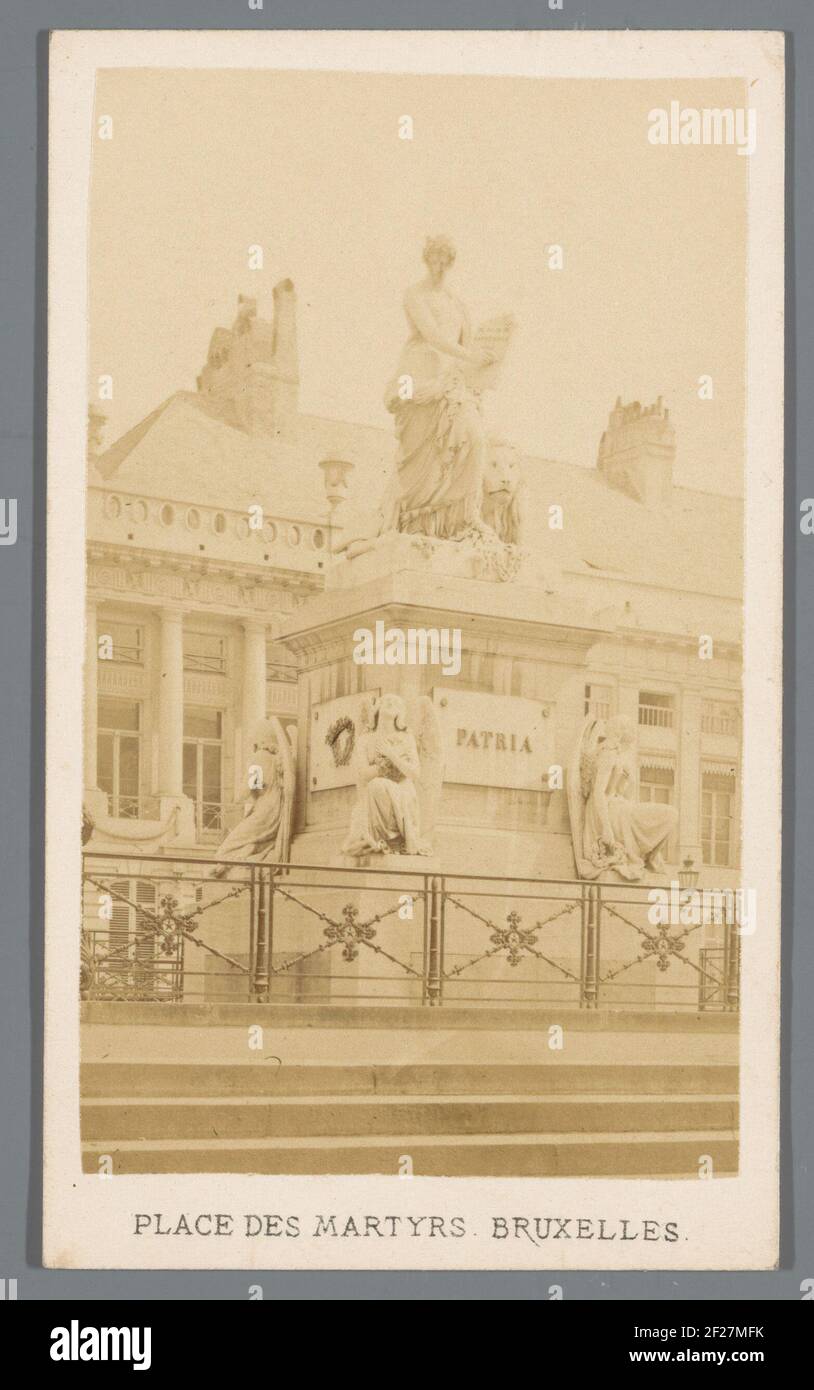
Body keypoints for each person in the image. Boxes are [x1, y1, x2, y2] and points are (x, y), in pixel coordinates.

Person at [381, 235, 496, 540]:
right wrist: (471, 355)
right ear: (427, 260)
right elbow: (431, 335)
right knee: (418, 456)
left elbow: (468, 343)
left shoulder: (458, 304)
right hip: (420, 378)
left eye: (446, 261)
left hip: (454, 382)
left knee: (475, 440)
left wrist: (490, 357)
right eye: (435, 259)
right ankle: (413, 521)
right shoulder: (414, 295)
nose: (440, 267)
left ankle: (466, 517)